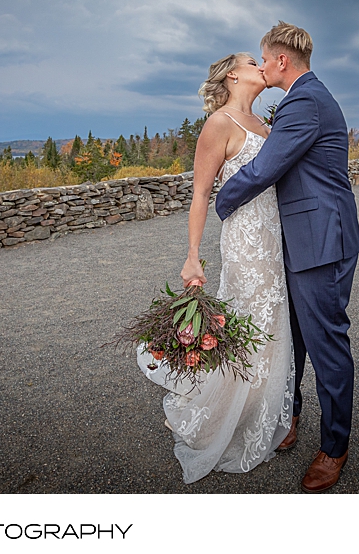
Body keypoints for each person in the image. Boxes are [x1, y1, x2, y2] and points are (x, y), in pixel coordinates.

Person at [214, 21, 359, 493]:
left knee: (326, 345)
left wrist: (222, 198)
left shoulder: (303, 101)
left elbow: (266, 167)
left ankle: (334, 448)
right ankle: (289, 416)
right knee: (293, 338)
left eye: (263, 58)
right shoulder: (307, 97)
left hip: (320, 242)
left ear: (281, 61)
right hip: (301, 241)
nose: (259, 66)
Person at [137, 52, 296, 484]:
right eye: (252, 60)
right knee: (248, 324)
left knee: (273, 329)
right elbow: (201, 195)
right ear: (233, 74)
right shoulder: (219, 125)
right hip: (244, 242)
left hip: (276, 241)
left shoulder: (268, 125)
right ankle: (215, 417)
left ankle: (259, 414)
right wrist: (192, 254)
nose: (261, 65)